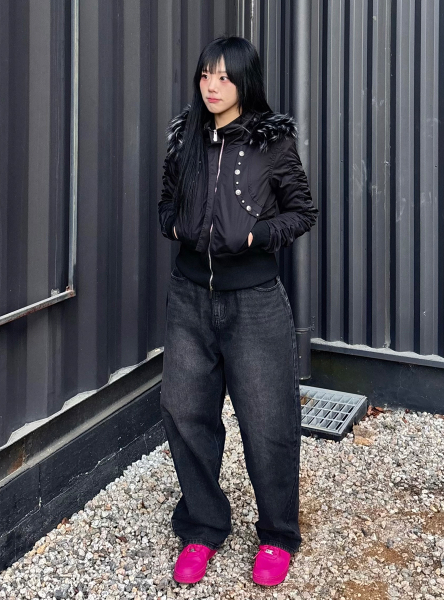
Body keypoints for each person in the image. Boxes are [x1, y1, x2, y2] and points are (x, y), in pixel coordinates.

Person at [157, 35, 318, 587]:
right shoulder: (185, 137)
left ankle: (277, 534)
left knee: (269, 422)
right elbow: (166, 200)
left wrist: (255, 236)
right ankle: (202, 526)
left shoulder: (272, 142)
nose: (212, 85)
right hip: (189, 299)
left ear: (245, 82)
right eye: (206, 74)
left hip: (254, 304)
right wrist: (175, 225)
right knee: (184, 412)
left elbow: (302, 212)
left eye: (224, 77)